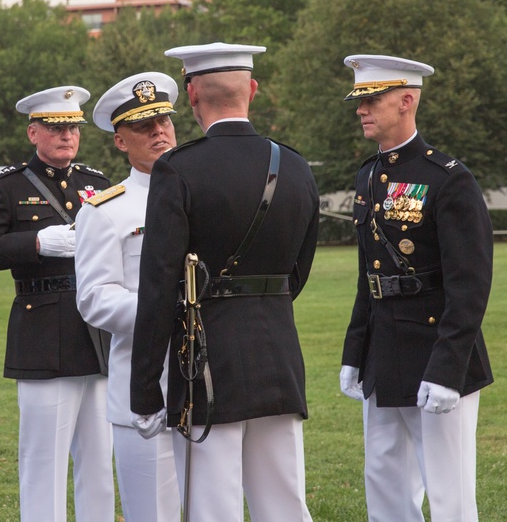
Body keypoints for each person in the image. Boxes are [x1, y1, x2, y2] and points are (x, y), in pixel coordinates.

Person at [131, 43, 319, 522]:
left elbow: (158, 285)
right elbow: (299, 270)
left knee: (212, 505)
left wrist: (144, 390)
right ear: (252, 90)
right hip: (277, 350)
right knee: (284, 502)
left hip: (206, 360)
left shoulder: (178, 169)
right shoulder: (295, 166)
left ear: (192, 95)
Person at [338, 55, 493, 522]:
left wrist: (447, 369)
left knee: (449, 493)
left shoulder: (448, 179)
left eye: (372, 99)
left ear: (406, 100)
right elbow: (370, 276)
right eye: (359, 100)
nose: (361, 109)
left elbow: (469, 286)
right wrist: (353, 352)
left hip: (435, 351)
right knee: (384, 480)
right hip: (383, 355)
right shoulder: (367, 176)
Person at [0, 86, 114, 522]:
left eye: (73, 128)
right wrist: (36, 243)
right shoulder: (9, 187)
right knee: (44, 461)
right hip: (43, 334)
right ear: (34, 132)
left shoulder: (97, 184)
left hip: (97, 331)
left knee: (100, 463)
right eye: (55, 127)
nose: (67, 135)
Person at [75, 72, 180, 522]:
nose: (159, 131)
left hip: (212, 378)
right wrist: (167, 312)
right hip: (145, 380)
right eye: (143, 125)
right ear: (120, 142)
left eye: (164, 121)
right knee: (152, 512)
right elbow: (95, 298)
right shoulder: (105, 210)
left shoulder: (206, 195)